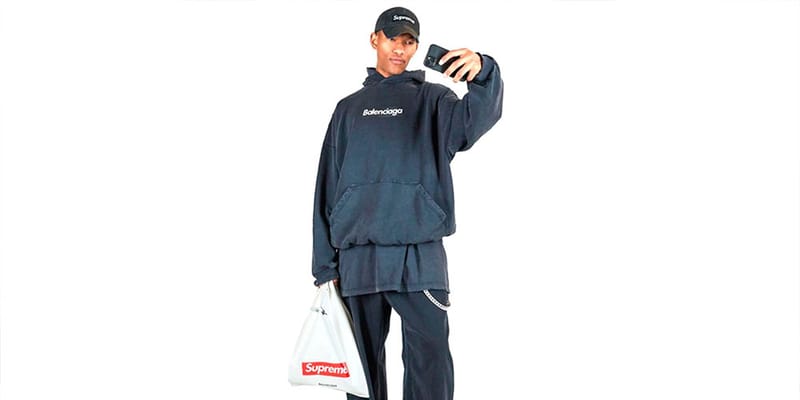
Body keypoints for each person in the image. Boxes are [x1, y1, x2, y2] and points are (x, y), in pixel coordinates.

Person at [311, 6, 503, 400]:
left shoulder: (435, 100)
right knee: (360, 373)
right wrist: (324, 265)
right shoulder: (347, 109)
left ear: (416, 47)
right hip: (358, 258)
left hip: (418, 253)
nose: (400, 49)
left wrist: (483, 71)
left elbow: (476, 119)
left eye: (409, 41)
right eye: (392, 38)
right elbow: (327, 186)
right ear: (374, 39)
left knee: (430, 365)